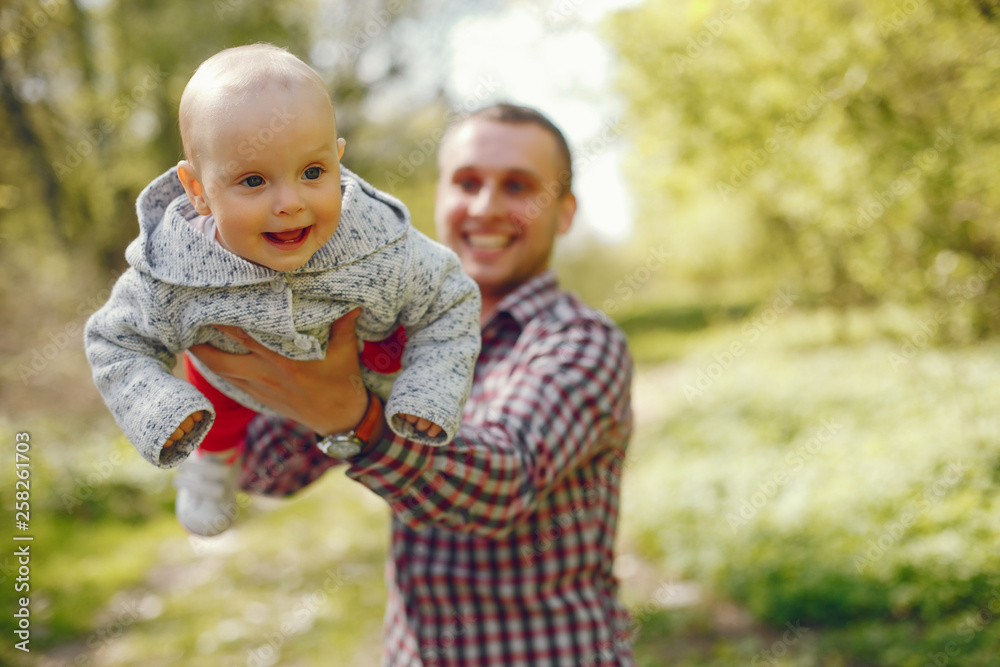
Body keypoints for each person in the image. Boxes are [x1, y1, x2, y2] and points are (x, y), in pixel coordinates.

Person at [193, 104, 636, 665]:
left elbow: (507, 482)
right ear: (440, 196)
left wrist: (355, 418)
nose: (485, 207)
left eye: (518, 186)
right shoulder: (388, 333)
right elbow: (269, 471)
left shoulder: (581, 342)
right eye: (467, 182)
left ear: (565, 212)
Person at [83, 44, 481, 537]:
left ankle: (399, 407)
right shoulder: (170, 273)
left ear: (337, 160)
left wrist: (431, 386)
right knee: (210, 389)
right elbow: (114, 341)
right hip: (232, 376)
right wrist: (160, 406)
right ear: (197, 190)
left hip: (366, 365)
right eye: (254, 180)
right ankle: (211, 465)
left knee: (393, 346)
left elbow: (451, 299)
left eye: (313, 173)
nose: (290, 202)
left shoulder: (381, 245)